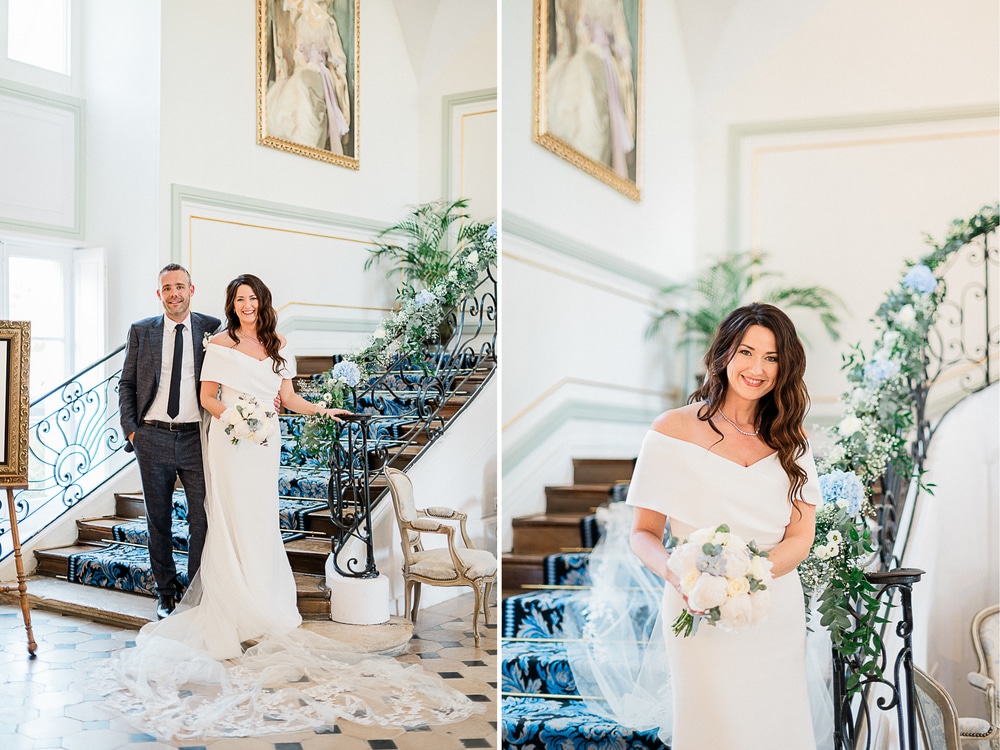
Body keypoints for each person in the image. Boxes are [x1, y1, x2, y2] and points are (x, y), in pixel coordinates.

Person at [103, 274, 479, 739]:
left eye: (252, 298)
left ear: (263, 302)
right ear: (230, 303)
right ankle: (223, 602)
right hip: (229, 438)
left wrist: (324, 411)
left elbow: (288, 398)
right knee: (225, 518)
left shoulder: (279, 342)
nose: (245, 304)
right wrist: (241, 418)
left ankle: (261, 601)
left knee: (259, 520)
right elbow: (207, 398)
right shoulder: (217, 342)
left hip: (264, 444)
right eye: (238, 299)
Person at [626, 303, 823, 749]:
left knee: (776, 727)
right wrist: (680, 577)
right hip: (698, 605)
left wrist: (750, 577)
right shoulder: (672, 429)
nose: (757, 368)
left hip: (775, 607)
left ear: (784, 367)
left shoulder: (793, 439)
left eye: (771, 358)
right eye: (746, 352)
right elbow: (643, 534)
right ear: (724, 354)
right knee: (711, 729)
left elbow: (800, 535)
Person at [118, 264, 221, 620]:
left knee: (201, 520)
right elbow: (127, 384)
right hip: (153, 437)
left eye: (180, 286)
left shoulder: (212, 329)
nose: (173, 293)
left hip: (195, 438)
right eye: (167, 288)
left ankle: (194, 591)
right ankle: (165, 593)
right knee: (158, 520)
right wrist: (133, 431)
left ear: (192, 290)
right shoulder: (142, 331)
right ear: (158, 294)